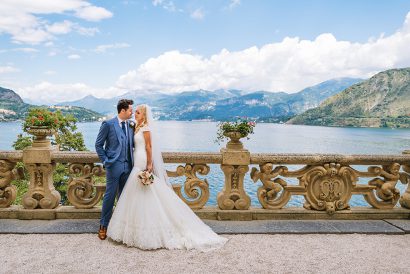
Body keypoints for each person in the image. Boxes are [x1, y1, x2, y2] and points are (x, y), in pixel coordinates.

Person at [107, 104, 228, 250]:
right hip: (135, 161)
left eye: (138, 112)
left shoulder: (145, 129)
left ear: (144, 115)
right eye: (135, 112)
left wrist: (150, 164)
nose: (135, 114)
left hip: (143, 160)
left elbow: (149, 147)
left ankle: (150, 229)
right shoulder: (136, 126)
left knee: (146, 192)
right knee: (136, 193)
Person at [95, 99, 134, 240]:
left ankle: (121, 226)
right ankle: (103, 225)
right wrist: (106, 161)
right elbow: (98, 145)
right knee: (110, 196)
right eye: (130, 110)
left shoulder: (131, 125)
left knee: (124, 197)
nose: (132, 112)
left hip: (128, 166)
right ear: (122, 110)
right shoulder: (108, 124)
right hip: (113, 165)